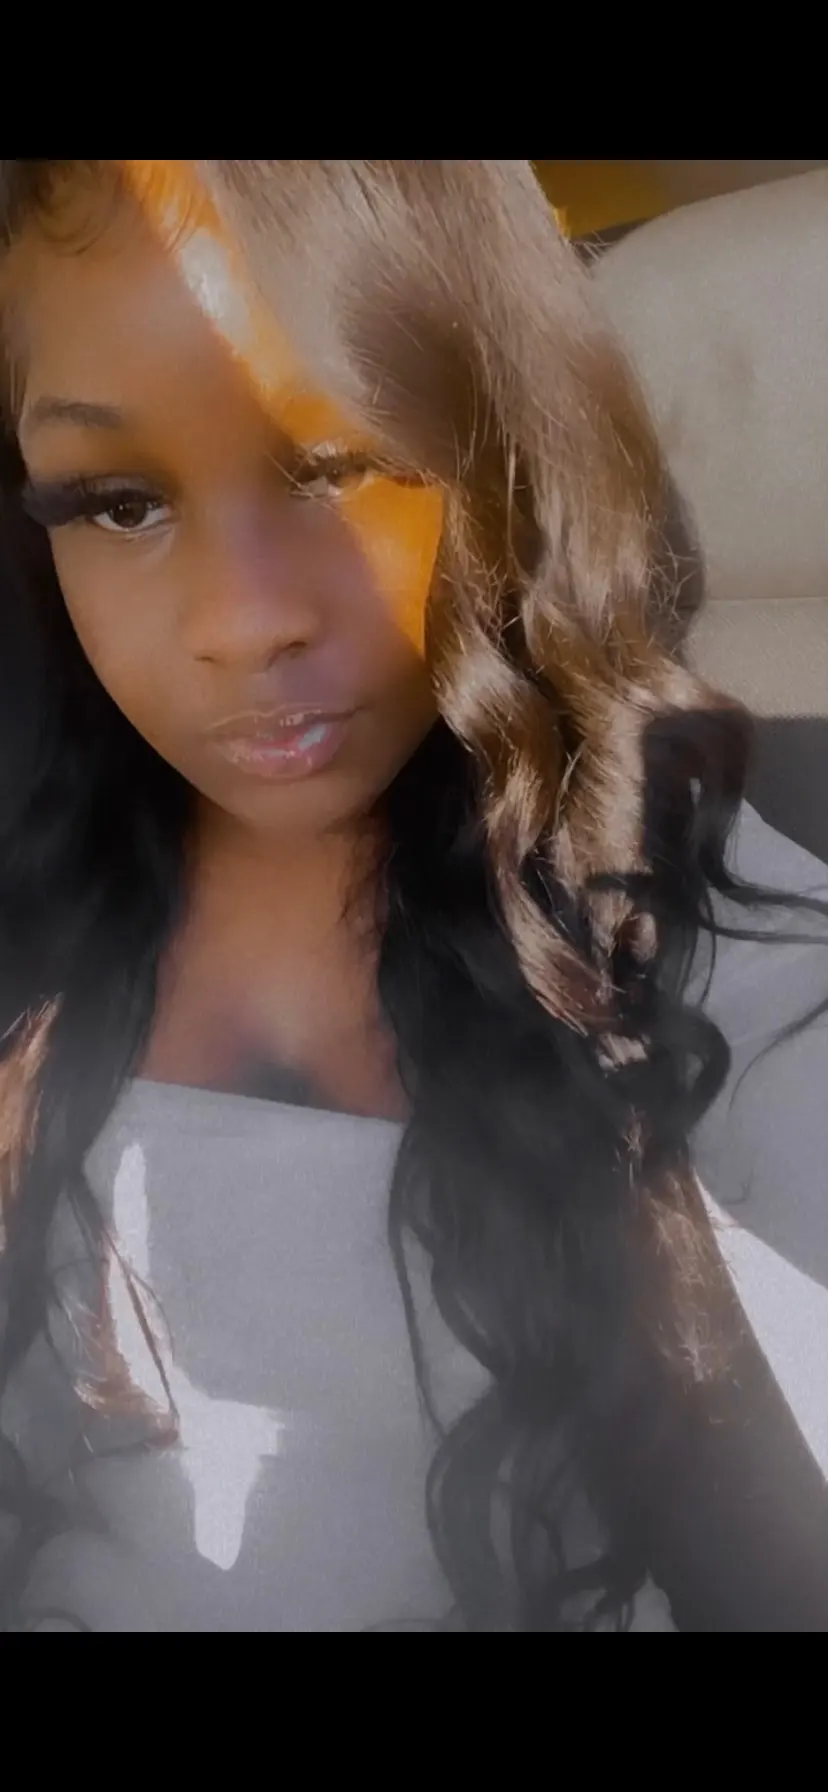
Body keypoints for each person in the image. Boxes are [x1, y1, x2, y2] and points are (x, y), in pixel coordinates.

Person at [0, 159, 826, 1634]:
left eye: (340, 464)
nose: (245, 621)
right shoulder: (35, 880)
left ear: (504, 441)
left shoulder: (668, 907)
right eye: (116, 502)